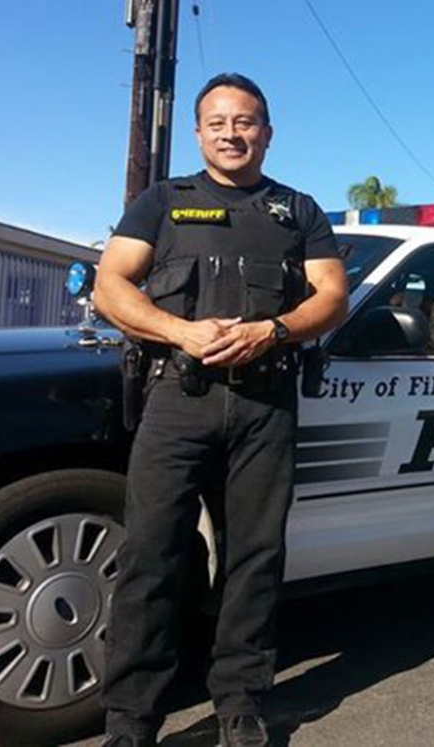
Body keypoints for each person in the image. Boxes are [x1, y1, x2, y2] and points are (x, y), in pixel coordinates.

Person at [94, 73, 348, 747]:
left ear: (267, 131)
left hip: (265, 401)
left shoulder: (298, 210)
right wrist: (180, 332)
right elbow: (109, 286)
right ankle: (130, 719)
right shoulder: (162, 203)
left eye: (246, 122)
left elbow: (332, 296)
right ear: (200, 132)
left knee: (254, 558)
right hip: (179, 397)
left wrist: (275, 330)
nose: (232, 133)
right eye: (218, 122)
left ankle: (241, 702)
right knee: (151, 555)